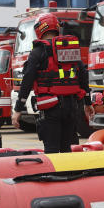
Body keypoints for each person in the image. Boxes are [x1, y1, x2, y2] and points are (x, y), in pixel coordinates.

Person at [11, 12, 90, 152]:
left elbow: (27, 80)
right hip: (72, 106)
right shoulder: (69, 49)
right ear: (57, 28)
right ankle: (70, 173)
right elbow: (83, 75)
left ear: (40, 29)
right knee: (68, 147)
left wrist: (18, 109)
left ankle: (55, 174)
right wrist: (88, 104)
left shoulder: (38, 51)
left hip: (50, 108)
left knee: (52, 149)